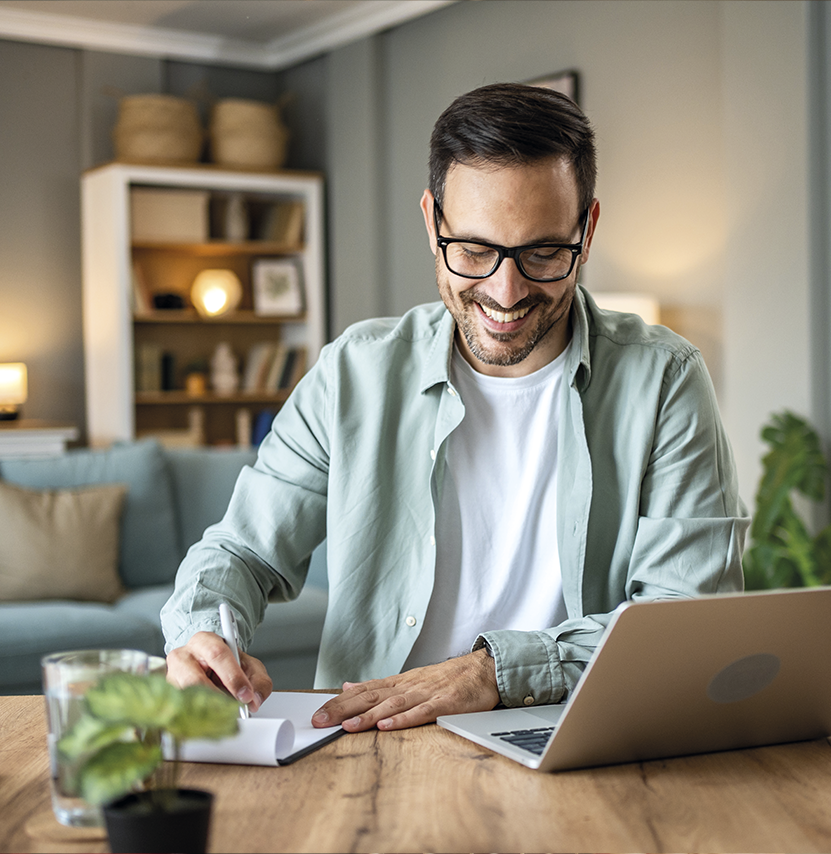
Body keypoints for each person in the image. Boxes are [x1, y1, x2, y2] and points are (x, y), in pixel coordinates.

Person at [162, 82, 748, 733]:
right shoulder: (354, 371)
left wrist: (495, 672)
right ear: (431, 220)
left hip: (578, 740)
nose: (505, 291)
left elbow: (686, 622)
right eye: (473, 251)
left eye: (544, 253)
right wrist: (203, 633)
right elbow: (243, 552)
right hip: (369, 741)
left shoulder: (665, 379)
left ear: (588, 228)